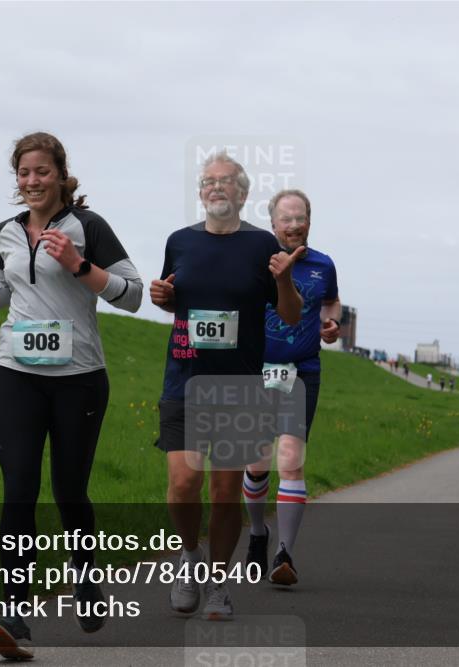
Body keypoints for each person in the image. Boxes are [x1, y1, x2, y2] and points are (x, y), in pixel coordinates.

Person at [0, 132, 143, 660]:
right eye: (24, 173)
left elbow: (132, 296)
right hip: (16, 371)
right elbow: (10, 284)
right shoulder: (6, 231)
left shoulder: (88, 226)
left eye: (42, 171)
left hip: (78, 376)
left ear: (61, 175)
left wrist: (79, 265)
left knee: (69, 490)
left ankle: (85, 576)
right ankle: (14, 612)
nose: (32, 181)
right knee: (18, 486)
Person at [150, 153, 303, 620]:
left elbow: (291, 315)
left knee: (223, 492)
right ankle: (188, 557)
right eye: (207, 181)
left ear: (243, 192)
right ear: (201, 193)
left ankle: (218, 584)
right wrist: (163, 298)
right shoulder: (180, 241)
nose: (215, 187)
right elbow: (175, 299)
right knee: (183, 484)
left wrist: (284, 280)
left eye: (225, 181)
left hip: (239, 387)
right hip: (185, 379)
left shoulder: (262, 245)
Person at [242, 189, 339, 587]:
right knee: (257, 462)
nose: (294, 225)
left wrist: (332, 325)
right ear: (273, 224)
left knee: (291, 458)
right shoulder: (256, 260)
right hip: (258, 370)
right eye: (287, 219)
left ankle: (284, 554)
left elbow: (331, 304)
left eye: (301, 218)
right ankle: (257, 533)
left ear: (310, 222)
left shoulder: (323, 264)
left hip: (302, 370)